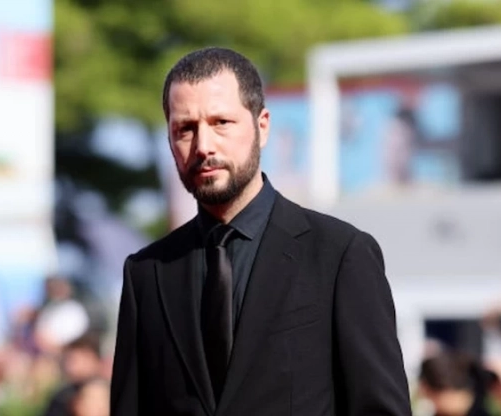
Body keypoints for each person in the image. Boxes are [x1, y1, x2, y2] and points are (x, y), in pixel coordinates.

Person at [111, 47, 411, 416]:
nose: (203, 146)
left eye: (221, 122)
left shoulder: (339, 254)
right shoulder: (147, 273)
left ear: (262, 126)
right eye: (185, 129)